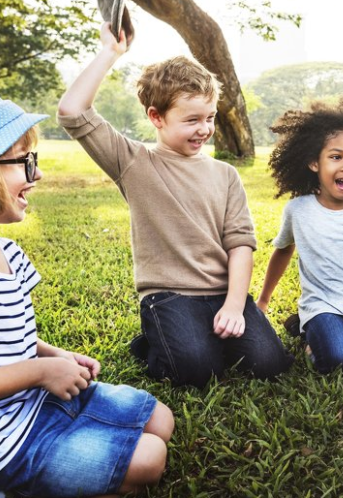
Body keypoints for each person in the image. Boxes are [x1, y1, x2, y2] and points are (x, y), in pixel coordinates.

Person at [0, 82, 174, 498]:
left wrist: (54, 356)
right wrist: (40, 372)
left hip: (30, 401)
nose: (38, 174)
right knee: (149, 459)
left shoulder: (5, 250)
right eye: (22, 163)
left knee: (162, 421)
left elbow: (2, 338)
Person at [57, 24, 293, 389]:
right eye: (192, 120)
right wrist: (111, 52)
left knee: (270, 364)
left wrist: (233, 305)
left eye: (210, 117)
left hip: (222, 292)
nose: (204, 129)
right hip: (168, 296)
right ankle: (154, 341)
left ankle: (201, 336)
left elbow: (240, 245)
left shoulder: (226, 174)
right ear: (156, 117)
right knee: (196, 373)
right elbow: (72, 112)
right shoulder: (133, 162)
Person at [255, 99, 343, 377]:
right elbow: (283, 251)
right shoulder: (298, 210)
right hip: (321, 304)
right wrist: (263, 300)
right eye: (336, 157)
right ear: (313, 162)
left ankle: (315, 331)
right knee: (341, 361)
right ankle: (310, 334)